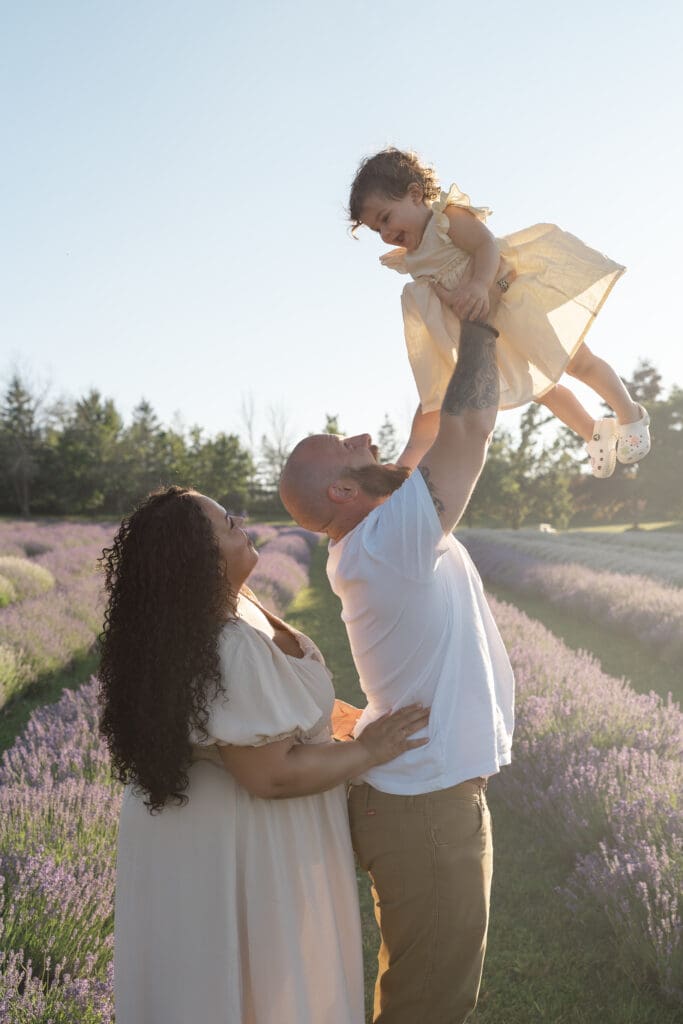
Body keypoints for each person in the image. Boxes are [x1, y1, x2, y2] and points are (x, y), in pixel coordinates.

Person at [98, 485, 429, 1024]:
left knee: (227, 987)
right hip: (237, 839)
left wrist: (326, 721)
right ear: (195, 557)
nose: (240, 521)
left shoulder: (232, 612)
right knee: (253, 989)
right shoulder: (224, 641)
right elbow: (270, 774)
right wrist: (370, 750)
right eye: (225, 522)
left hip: (210, 833)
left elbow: (259, 711)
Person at [279, 309, 515, 1023]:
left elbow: (431, 417)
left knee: (428, 990)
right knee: (429, 1004)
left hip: (424, 797)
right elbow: (466, 427)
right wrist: (483, 319)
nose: (358, 435)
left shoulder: (377, 529)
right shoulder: (387, 539)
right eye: (342, 446)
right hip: (426, 806)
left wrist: (440, 313)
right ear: (340, 496)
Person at [347, 146, 650, 479]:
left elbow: (486, 246)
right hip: (482, 327)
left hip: (513, 305)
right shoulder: (411, 257)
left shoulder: (446, 221)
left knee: (577, 361)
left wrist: (479, 284)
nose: (386, 235)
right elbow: (438, 295)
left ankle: (629, 413)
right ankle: (592, 431)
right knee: (539, 389)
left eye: (386, 218)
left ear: (415, 195)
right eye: (378, 231)